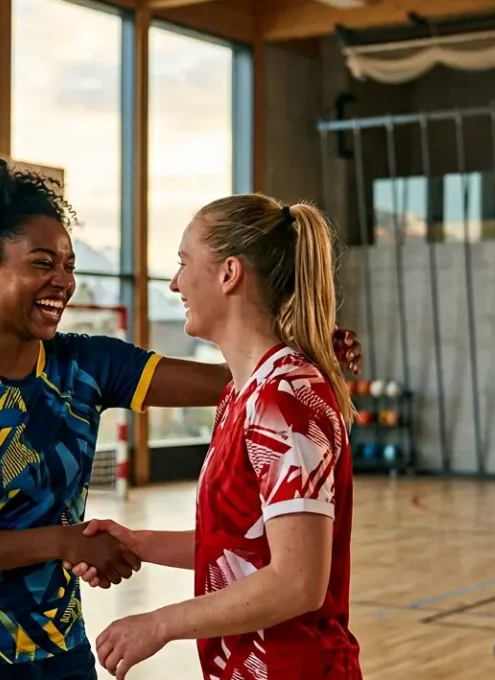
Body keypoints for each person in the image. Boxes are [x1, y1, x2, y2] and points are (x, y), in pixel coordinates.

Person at [0, 156, 362, 679]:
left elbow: (242, 376)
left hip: (57, 650)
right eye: (43, 264)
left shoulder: (88, 364)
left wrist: (304, 350)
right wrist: (65, 540)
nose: (63, 281)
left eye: (68, 265)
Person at [76, 195, 360, 680]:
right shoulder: (240, 395)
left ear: (229, 273)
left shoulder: (284, 398)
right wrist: (137, 543)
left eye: (184, 262)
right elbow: (240, 547)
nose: (175, 282)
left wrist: (160, 624)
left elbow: (297, 582)